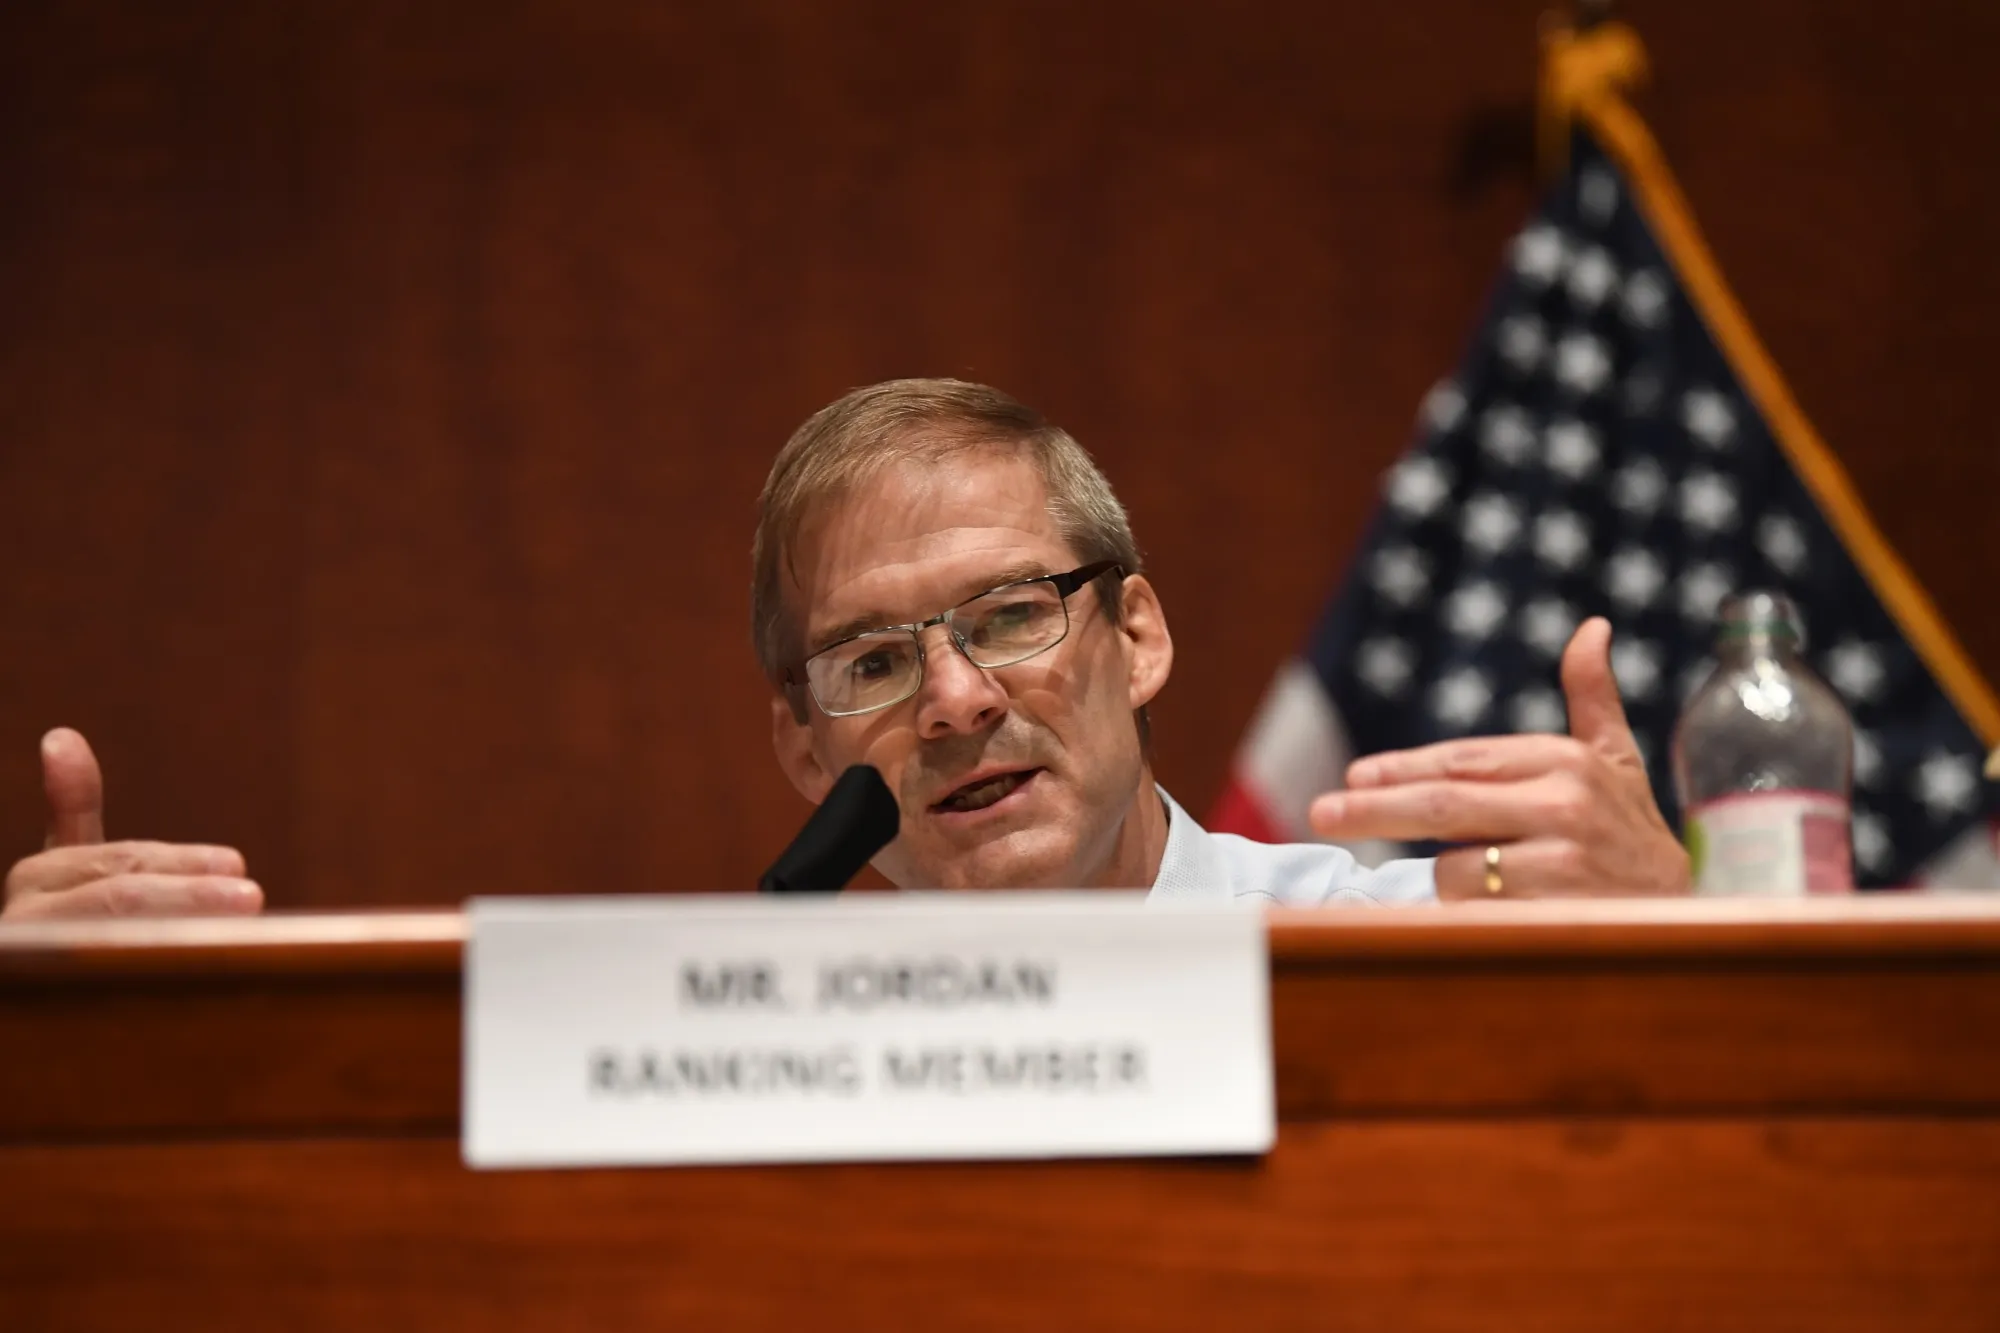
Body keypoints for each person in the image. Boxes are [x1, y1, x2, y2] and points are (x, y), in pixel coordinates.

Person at [2, 378, 1686, 918]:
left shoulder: (1418, 946)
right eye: (873, 663)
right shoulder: (704, 1038)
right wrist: (118, 1068)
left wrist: (1678, 938)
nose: (958, 701)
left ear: (1140, 632)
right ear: (807, 757)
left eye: (1013, 614)